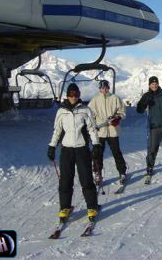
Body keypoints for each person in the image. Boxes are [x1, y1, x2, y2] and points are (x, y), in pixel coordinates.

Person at [47, 83, 100, 222]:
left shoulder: (85, 110)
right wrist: (52, 146)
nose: (74, 97)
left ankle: (92, 206)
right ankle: (65, 207)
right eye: (71, 94)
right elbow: (57, 131)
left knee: (86, 179)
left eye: (76, 94)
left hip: (82, 148)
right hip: (67, 150)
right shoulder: (61, 111)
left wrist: (96, 144)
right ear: (67, 96)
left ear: (79, 95)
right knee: (65, 180)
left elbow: (92, 129)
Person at [136, 76, 162, 178]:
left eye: (156, 84)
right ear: (149, 85)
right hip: (154, 126)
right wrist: (145, 102)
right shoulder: (147, 95)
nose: (154, 85)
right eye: (152, 84)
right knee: (153, 147)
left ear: (158, 84)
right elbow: (139, 110)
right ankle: (150, 166)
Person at [88, 80, 127, 185]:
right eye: (102, 88)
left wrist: (117, 118)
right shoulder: (95, 100)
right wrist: (93, 125)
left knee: (116, 152)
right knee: (97, 153)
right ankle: (97, 173)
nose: (104, 90)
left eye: (106, 88)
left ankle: (122, 172)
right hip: (100, 132)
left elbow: (122, 112)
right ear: (99, 89)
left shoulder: (115, 98)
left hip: (112, 131)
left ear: (108, 88)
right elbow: (89, 115)